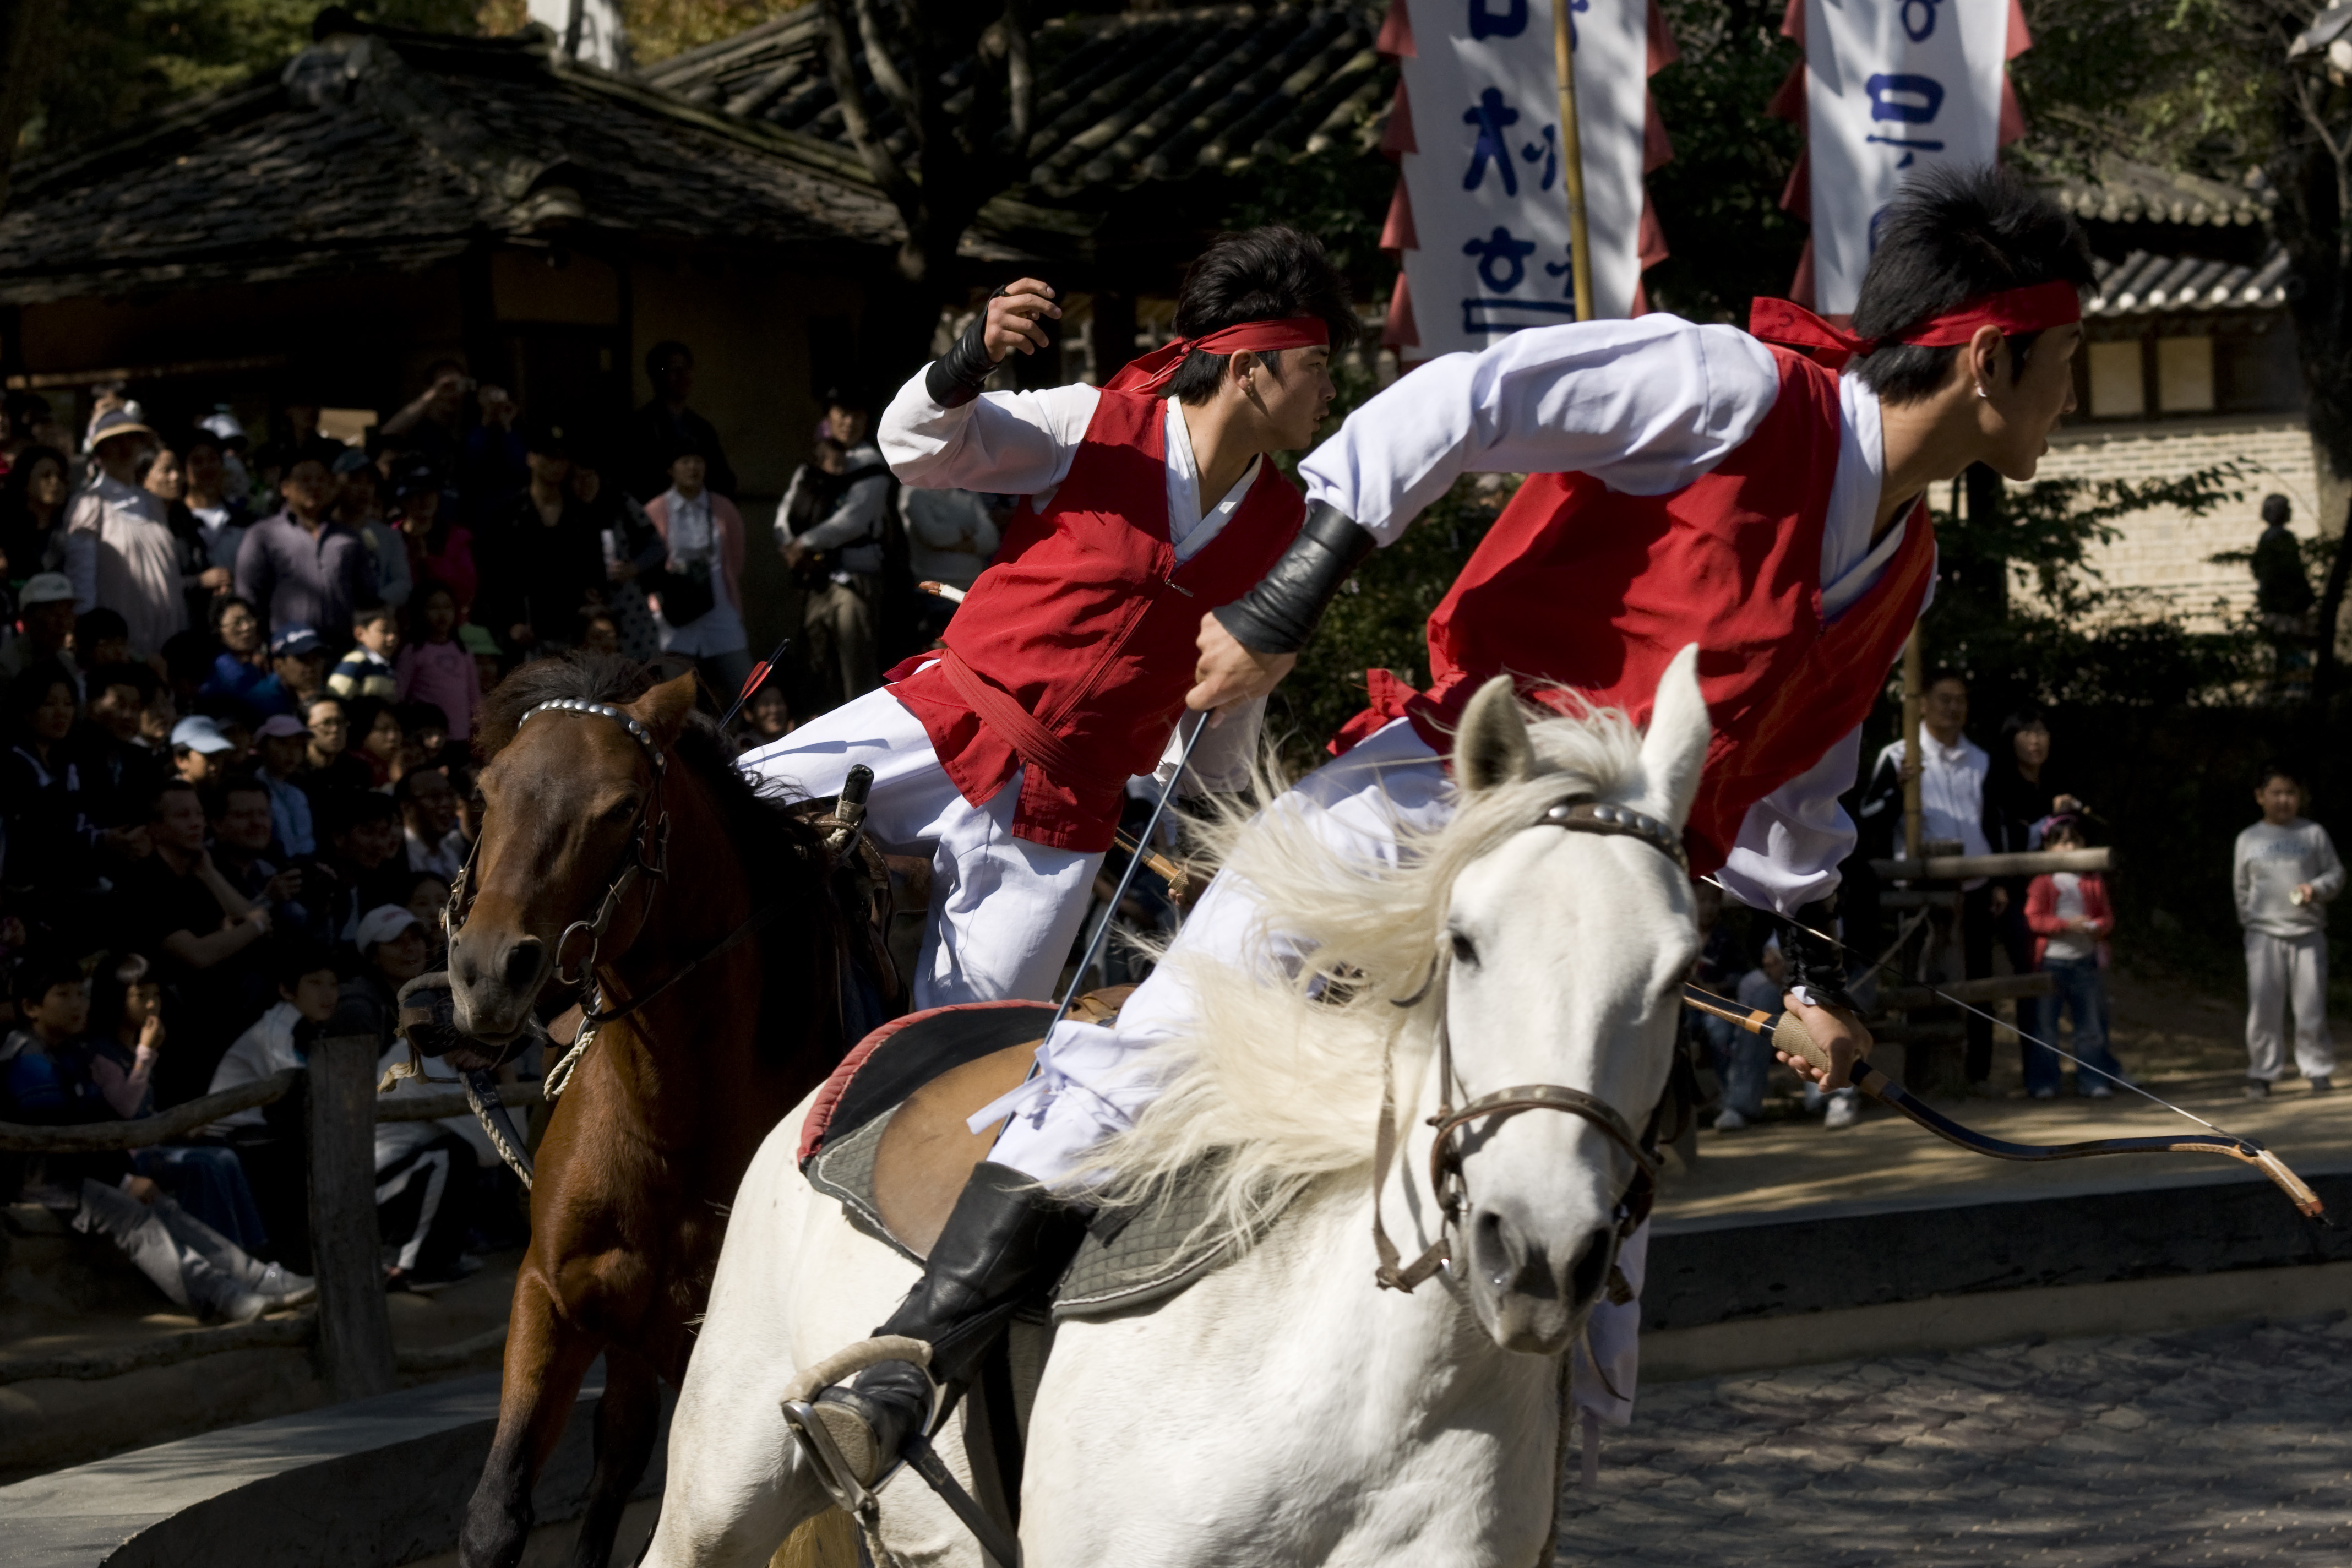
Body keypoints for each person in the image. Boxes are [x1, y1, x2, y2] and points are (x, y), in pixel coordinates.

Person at [788, 167, 2099, 1480]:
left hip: (1611, 903)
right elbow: (1464, 399)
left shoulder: (1904, 557)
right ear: (1990, 358)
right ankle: (919, 1343)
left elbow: (1803, 781)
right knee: (1170, 1022)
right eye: (2067, 362)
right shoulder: (1736, 388)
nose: (2072, 394)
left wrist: (1806, 970)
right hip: (1448, 785)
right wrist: (1284, 597)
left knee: (1592, 1245)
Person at [742, 227, 1359, 1020]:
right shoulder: (1093, 423)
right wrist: (970, 357)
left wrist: (1215, 832)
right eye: (1317, 368)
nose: (1330, 392)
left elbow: (1229, 701)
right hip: (945, 723)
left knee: (969, 1049)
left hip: (1063, 816)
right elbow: (916, 450)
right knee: (721, 817)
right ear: (1249, 368)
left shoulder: (1285, 530)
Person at [5, 953, 308, 1322]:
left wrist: (126, 1174)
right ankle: (221, 1297)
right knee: (138, 1221)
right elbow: (57, 1143)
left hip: (83, 1170)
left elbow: (101, 1125)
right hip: (49, 1182)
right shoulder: (29, 1061)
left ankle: (260, 1278)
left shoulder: (68, 1053)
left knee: (164, 1207)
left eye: (80, 995)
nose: (76, 1005)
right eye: (63, 995)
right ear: (30, 1007)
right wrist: (123, 1179)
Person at [1864, 669, 2004, 1093]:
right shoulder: (1897, 755)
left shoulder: (1979, 758)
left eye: (1960, 699)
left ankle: (1978, 1072)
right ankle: (1922, 1076)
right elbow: (1870, 821)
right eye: (1944, 698)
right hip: (1920, 886)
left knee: (1980, 980)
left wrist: (1999, 878)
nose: (1953, 708)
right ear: (1922, 702)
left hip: (1975, 884)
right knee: (1922, 977)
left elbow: (1992, 823)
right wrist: (1898, 787)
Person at [337, 904, 480, 1289]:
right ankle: (408, 1264)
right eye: (394, 942)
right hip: (356, 1170)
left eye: (415, 938)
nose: (410, 948)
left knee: (456, 1149)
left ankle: (438, 1254)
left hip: (405, 1145)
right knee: (453, 1153)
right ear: (371, 955)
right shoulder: (358, 1008)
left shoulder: (427, 997)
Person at [119, 778, 274, 1101]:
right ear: (157, 828)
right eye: (182, 816)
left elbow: (249, 920)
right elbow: (196, 954)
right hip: (167, 1024)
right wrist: (255, 927)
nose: (196, 823)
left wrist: (210, 875)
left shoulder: (197, 875)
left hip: (208, 1019)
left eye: (199, 814)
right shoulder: (146, 883)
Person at [2234, 763, 2343, 1098]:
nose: (2284, 800)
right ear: (2260, 797)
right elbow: (2241, 886)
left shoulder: (2313, 834)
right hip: (2264, 934)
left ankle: (2317, 1069)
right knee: (2264, 1008)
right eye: (2276, 793)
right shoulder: (2249, 838)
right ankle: (2262, 1073)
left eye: (2290, 793)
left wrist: (2317, 889)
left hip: (2307, 932)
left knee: (2310, 1006)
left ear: (2299, 797)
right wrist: (2251, 921)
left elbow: (2336, 873)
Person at [780, 393, 893, 705]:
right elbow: (786, 512)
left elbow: (854, 520)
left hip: (855, 579)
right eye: (842, 413)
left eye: (857, 415)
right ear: (829, 416)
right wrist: (788, 544)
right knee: (815, 667)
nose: (849, 422)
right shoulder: (814, 460)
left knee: (855, 674)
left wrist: (802, 544)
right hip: (814, 580)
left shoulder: (871, 464)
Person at [65, 409, 189, 659]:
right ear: (100, 452)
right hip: (119, 642)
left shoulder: (154, 503)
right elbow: (82, 580)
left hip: (168, 639)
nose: (124, 449)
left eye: (130, 440)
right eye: (114, 442)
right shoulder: (90, 504)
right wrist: (90, 636)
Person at [480, 420, 607, 657]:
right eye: (549, 457)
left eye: (562, 458)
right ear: (532, 458)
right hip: (524, 636)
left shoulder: (582, 516)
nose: (556, 465)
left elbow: (595, 573)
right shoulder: (508, 516)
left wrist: (593, 603)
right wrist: (509, 624)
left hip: (575, 634)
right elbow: (493, 578)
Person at [2021, 817, 2125, 1099]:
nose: (2067, 847)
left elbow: (2106, 916)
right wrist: (2066, 926)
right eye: (2060, 841)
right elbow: (2034, 919)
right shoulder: (2043, 881)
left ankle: (2093, 1080)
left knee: (2090, 1027)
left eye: (2073, 841)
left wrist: (2096, 928)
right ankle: (2043, 1082)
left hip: (2085, 960)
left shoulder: (2091, 879)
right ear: (2048, 847)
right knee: (2045, 1027)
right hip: (2051, 962)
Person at [646, 450, 752, 698]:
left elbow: (736, 557)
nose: (693, 468)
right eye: (684, 461)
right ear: (671, 469)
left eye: (698, 461)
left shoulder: (722, 507)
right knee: (673, 693)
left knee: (745, 685)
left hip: (718, 606)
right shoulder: (656, 509)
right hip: (673, 612)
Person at [235, 455, 368, 643]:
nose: (314, 486)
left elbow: (366, 596)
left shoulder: (349, 538)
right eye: (305, 480)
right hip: (288, 651)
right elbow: (248, 596)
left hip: (343, 650)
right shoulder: (262, 535)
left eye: (321, 480)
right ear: (285, 488)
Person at [628, 340, 737, 501]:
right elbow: (635, 481)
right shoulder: (639, 426)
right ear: (656, 376)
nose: (683, 376)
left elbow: (724, 480)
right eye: (673, 369)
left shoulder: (701, 429)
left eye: (686, 368)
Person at [901, 485, 1001, 643]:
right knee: (943, 650)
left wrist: (955, 542)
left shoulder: (967, 493)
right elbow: (933, 536)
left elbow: (991, 539)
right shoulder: (914, 493)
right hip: (935, 592)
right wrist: (968, 536)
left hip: (973, 588)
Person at [393, 583, 482, 743]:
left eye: (448, 607)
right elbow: (399, 694)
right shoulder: (413, 651)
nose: (442, 614)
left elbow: (474, 694)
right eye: (433, 608)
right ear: (420, 612)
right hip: (427, 738)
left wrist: (479, 729)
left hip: (461, 735)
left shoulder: (462, 651)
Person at [333, 449, 412, 612]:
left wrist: (371, 606)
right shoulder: (318, 531)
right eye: (355, 480)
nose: (363, 489)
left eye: (370, 482)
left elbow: (402, 583)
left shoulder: (389, 537)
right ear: (334, 483)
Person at [0, 443, 71, 585]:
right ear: (25, 483)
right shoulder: (7, 532)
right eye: (46, 476)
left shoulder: (73, 530)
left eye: (60, 476)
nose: (55, 482)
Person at [1, 570, 80, 688]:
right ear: (27, 618)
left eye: (67, 612)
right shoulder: (7, 666)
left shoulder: (68, 664)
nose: (62, 623)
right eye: (53, 613)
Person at [253, 712, 318, 857]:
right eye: (283, 744)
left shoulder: (299, 793)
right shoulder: (251, 790)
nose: (292, 752)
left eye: (298, 745)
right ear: (262, 747)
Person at [298, 692, 375, 800]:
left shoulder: (357, 771)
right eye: (326, 723)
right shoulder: (295, 773)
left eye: (340, 722)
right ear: (306, 729)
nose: (335, 729)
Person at [396, 765, 464, 881]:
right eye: (435, 797)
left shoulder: (450, 852)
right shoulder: (398, 857)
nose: (446, 803)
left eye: (450, 795)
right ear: (407, 807)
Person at [328, 601, 401, 700]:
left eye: (395, 631)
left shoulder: (387, 665)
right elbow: (337, 700)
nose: (392, 637)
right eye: (384, 631)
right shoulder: (355, 664)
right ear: (360, 634)